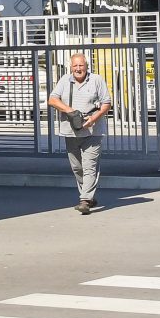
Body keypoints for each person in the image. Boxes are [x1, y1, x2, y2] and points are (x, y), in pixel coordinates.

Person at [46, 51, 114, 215]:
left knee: (89, 166)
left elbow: (106, 103)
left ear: (87, 66)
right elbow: (52, 99)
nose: (78, 68)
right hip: (71, 131)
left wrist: (94, 118)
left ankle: (84, 200)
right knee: (77, 167)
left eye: (81, 65)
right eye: (75, 65)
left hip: (93, 131)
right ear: (71, 67)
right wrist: (71, 112)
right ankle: (89, 194)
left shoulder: (97, 80)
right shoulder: (64, 80)